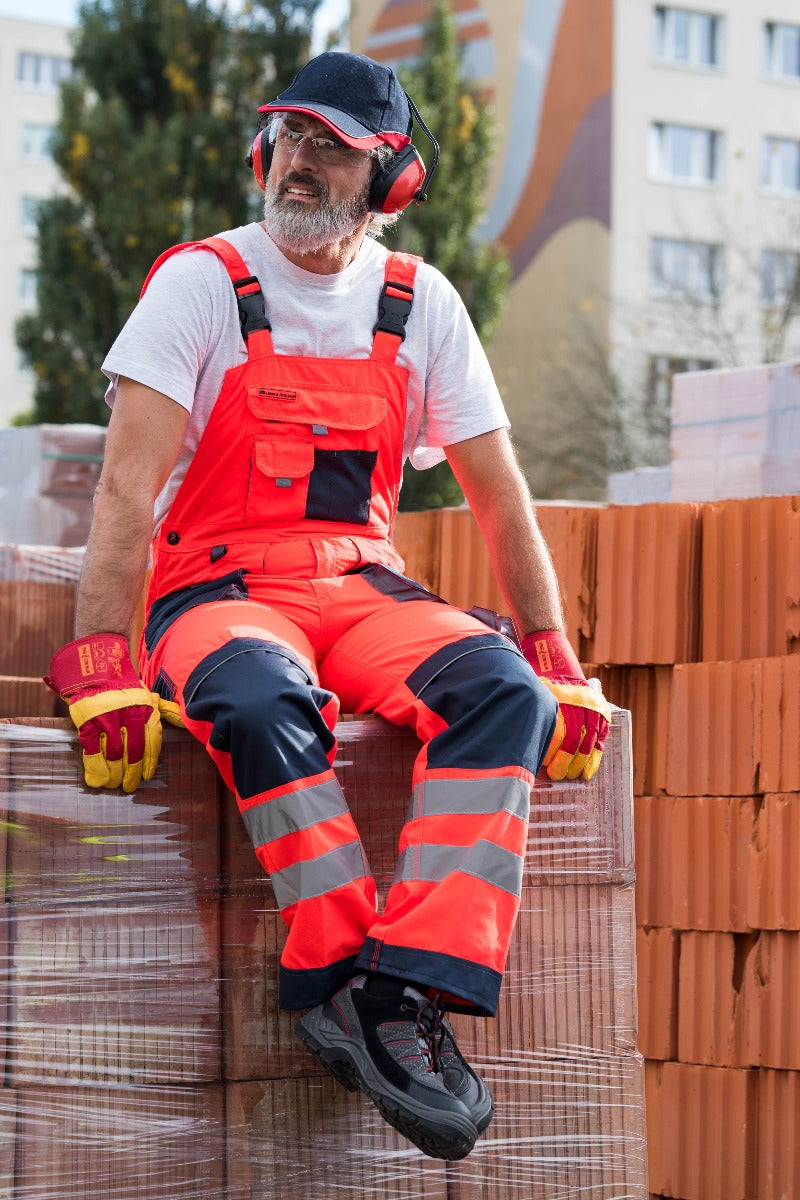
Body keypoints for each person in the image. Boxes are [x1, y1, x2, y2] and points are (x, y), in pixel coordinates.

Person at [47, 51, 611, 1161]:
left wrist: (551, 651)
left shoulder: (420, 303)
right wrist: (104, 660)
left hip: (357, 581)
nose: (298, 163)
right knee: (259, 701)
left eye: (331, 146)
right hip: (218, 585)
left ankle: (403, 992)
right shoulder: (203, 282)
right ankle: (335, 970)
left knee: (501, 692)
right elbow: (124, 486)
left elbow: (499, 495)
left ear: (389, 179)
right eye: (289, 137)